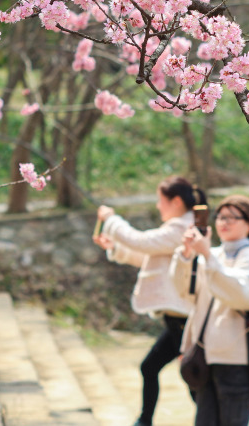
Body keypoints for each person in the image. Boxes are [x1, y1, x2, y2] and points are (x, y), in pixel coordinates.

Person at [94, 176, 203, 426]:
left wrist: (111, 219)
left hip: (182, 318)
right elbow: (149, 258)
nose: (157, 206)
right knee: (156, 368)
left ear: (175, 202)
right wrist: (115, 247)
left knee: (192, 377)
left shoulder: (181, 229)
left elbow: (140, 242)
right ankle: (145, 421)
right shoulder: (180, 227)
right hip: (177, 316)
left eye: (160, 200)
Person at [170, 195, 249, 426]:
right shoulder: (213, 254)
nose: (224, 222)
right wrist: (186, 254)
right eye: (220, 217)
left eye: (232, 217)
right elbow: (184, 291)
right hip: (207, 357)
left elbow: (242, 296)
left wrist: (206, 255)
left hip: (236, 361)